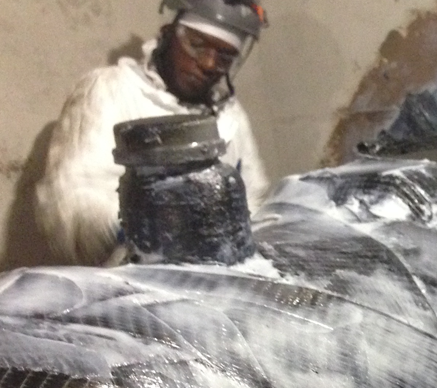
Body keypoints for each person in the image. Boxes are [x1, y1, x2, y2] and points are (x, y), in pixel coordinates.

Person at [35, 0, 269, 265]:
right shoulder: (111, 90)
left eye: (225, 57)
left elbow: (255, 199)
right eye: (197, 44)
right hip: (129, 280)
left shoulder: (231, 116)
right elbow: (71, 200)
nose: (208, 63)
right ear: (169, 32)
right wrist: (149, 231)